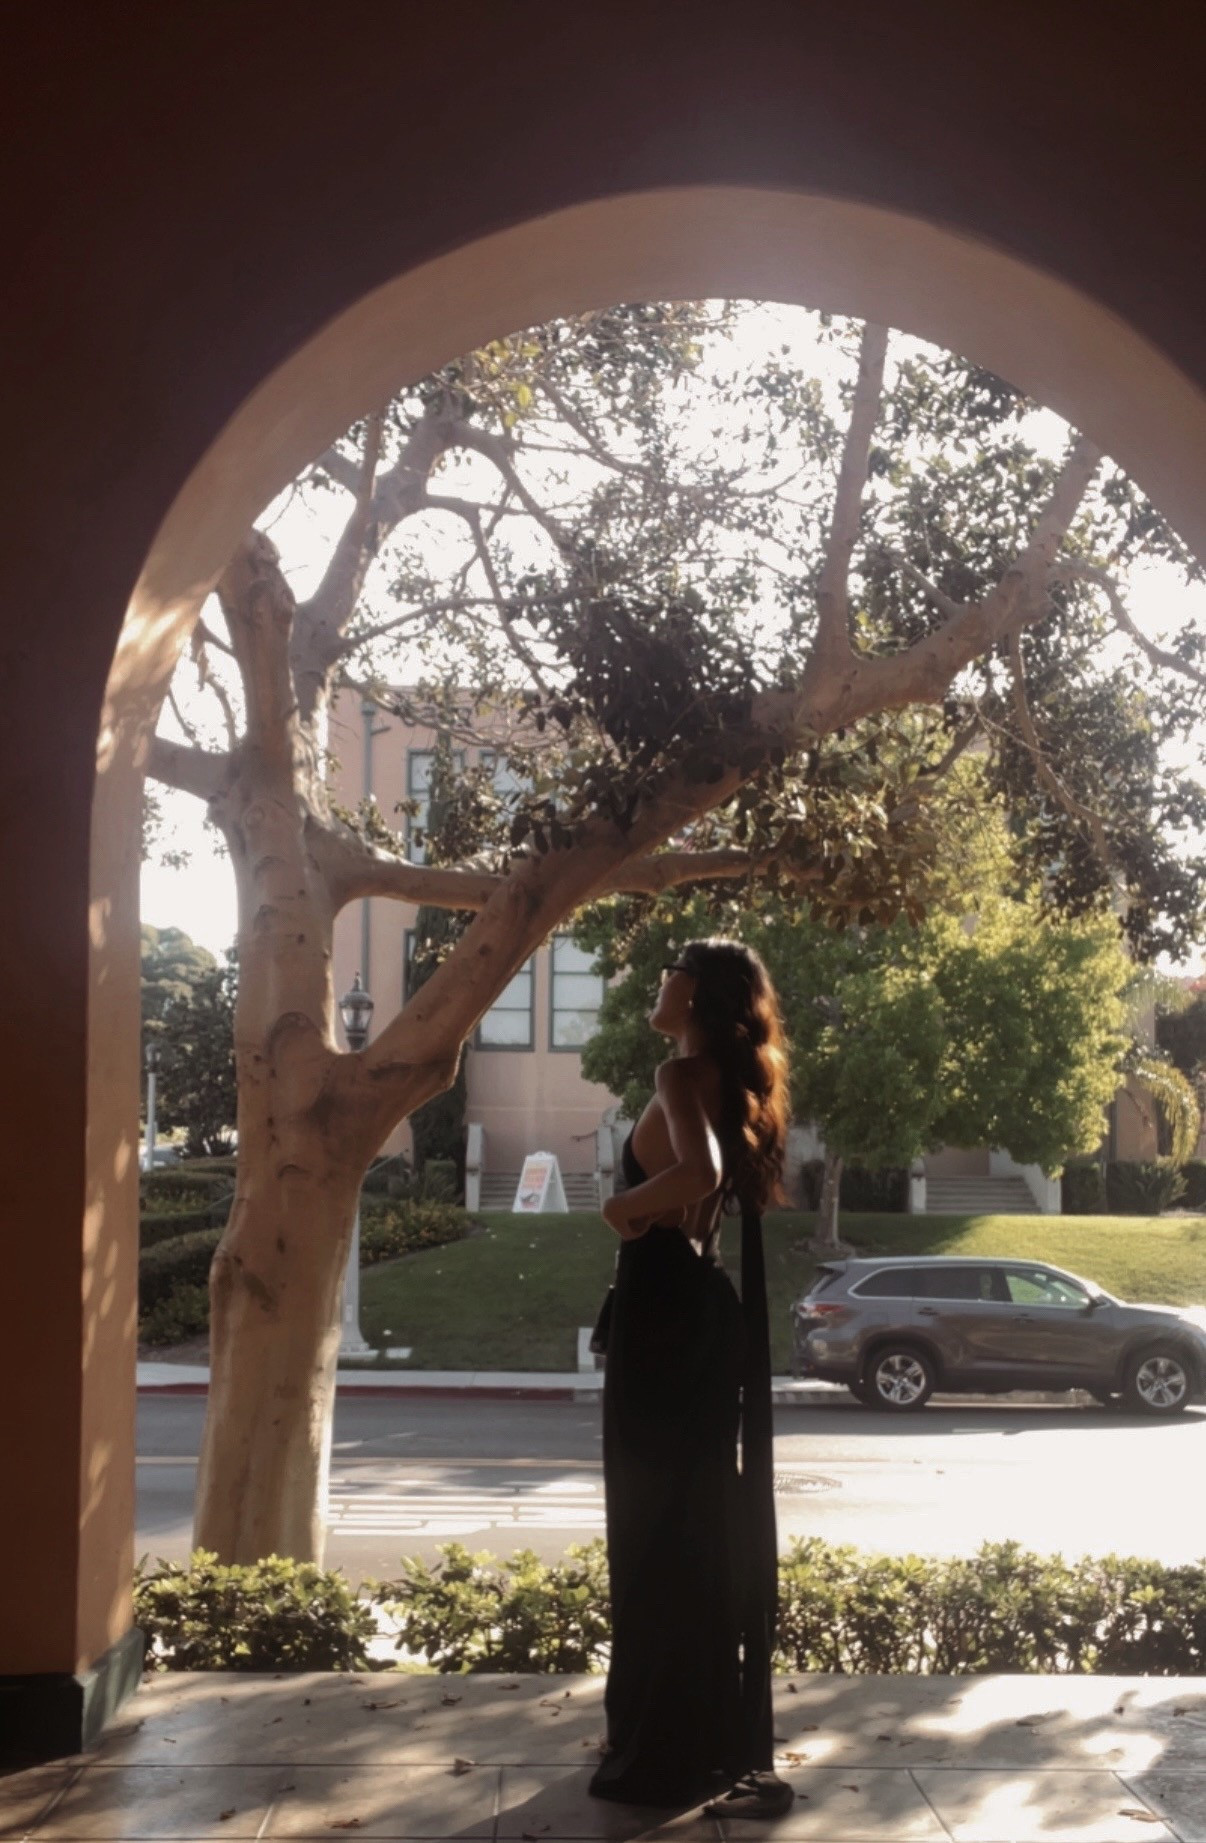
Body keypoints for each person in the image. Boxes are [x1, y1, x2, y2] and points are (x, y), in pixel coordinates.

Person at [587, 938, 794, 1816]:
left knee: (649, 1529)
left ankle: (655, 1744)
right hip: (700, 1311)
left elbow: (700, 1173)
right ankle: (699, 1734)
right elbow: (717, 1186)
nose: (659, 981)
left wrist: (619, 1205)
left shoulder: (681, 1078)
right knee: (696, 1524)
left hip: (663, 1311)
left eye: (673, 969)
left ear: (698, 993)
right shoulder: (727, 1080)